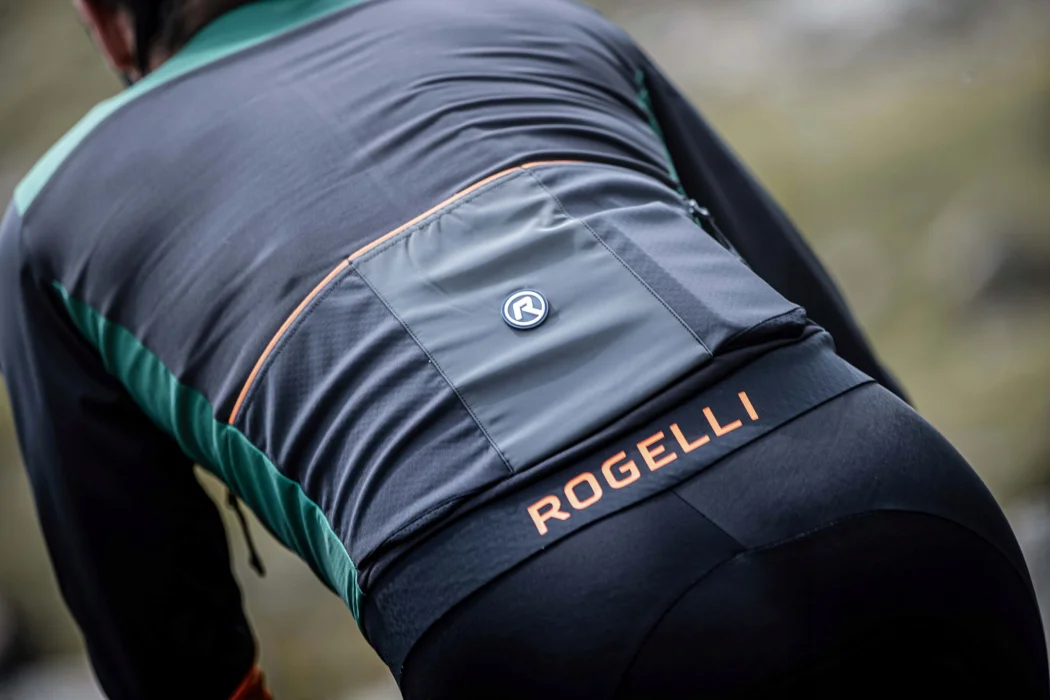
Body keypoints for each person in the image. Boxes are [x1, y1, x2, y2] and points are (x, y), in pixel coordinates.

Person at [0, 0, 1045, 697]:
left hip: (542, 609)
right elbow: (825, 329)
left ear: (102, 19)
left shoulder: (52, 215)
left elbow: (164, 644)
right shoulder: (535, 14)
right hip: (882, 489)